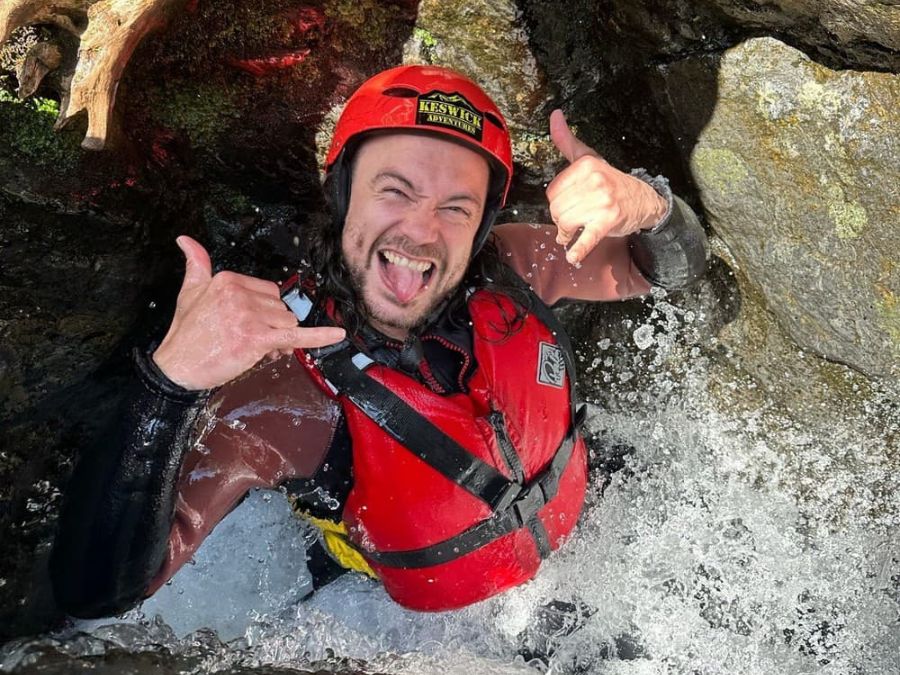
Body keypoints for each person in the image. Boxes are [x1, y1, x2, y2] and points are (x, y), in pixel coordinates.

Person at [49, 65, 707, 618]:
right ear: (342, 197)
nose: (423, 231)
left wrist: (648, 203)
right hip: (408, 615)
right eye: (396, 191)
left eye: (456, 207)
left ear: (482, 226)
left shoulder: (510, 271)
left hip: (579, 542)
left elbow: (657, 270)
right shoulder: (284, 396)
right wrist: (172, 383)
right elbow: (96, 594)